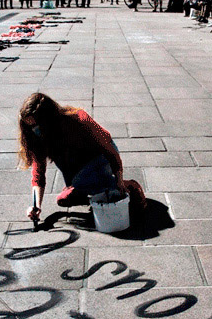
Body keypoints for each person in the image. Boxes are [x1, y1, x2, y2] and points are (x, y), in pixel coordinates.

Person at [18, 93, 146, 224]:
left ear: (49, 120)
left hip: (100, 157)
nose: (34, 130)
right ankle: (85, 189)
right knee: (69, 191)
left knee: (87, 181)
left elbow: (109, 149)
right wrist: (37, 206)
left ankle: (129, 187)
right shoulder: (36, 136)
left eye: (37, 125)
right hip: (78, 166)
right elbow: (38, 173)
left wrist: (119, 179)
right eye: (30, 126)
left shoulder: (79, 119)